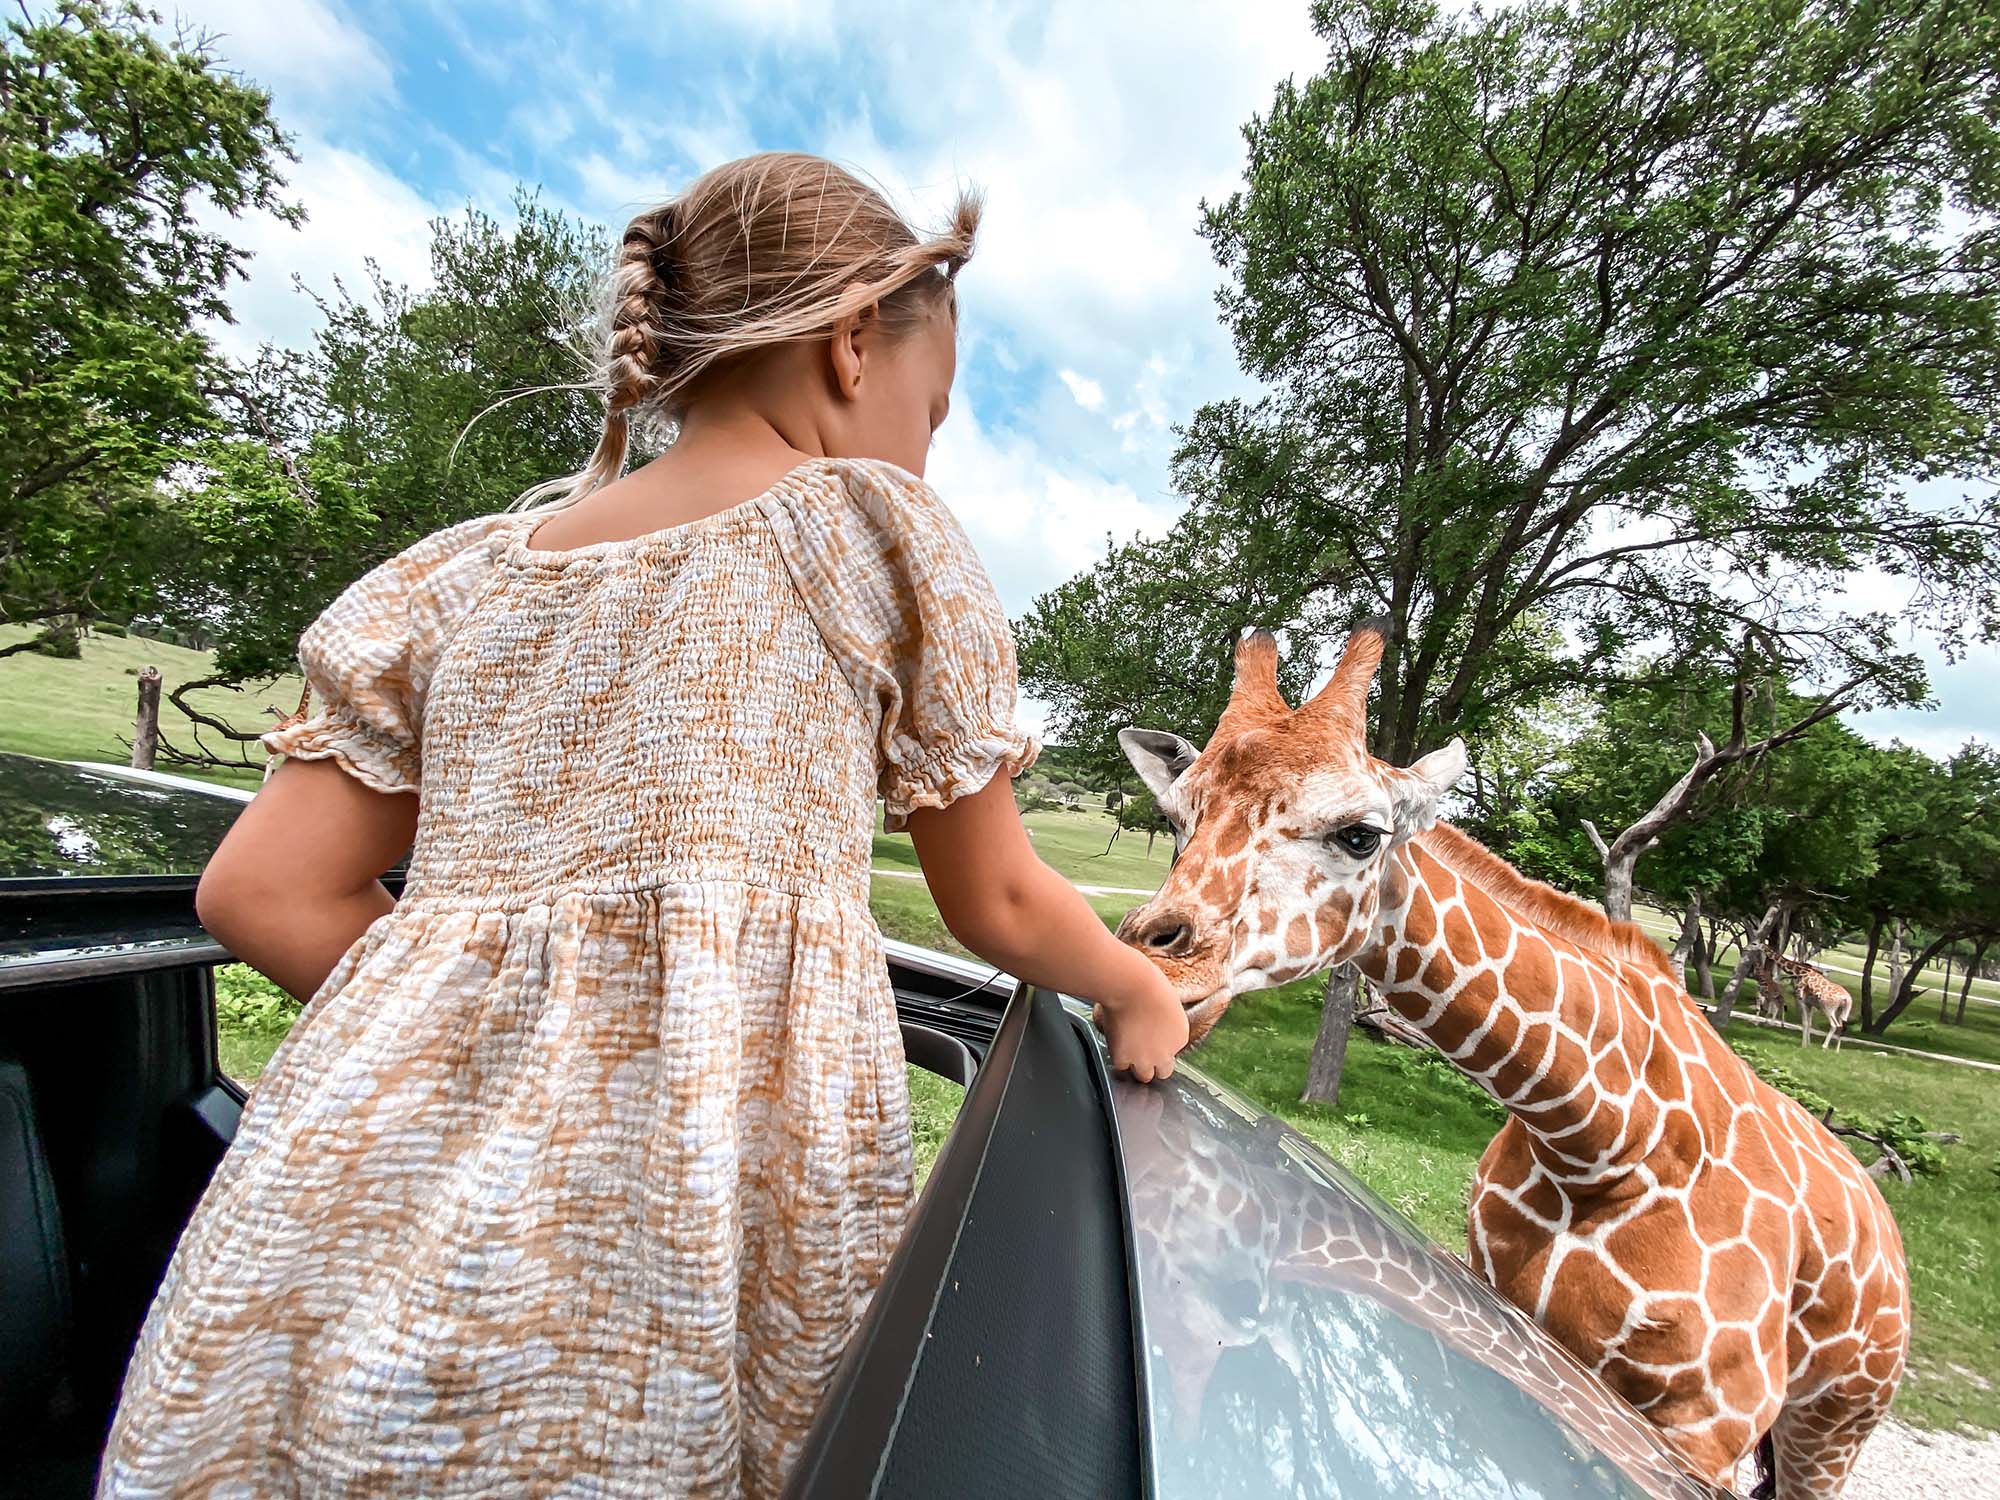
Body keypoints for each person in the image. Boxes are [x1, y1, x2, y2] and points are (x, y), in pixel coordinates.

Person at [98, 152, 1188, 1499]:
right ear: (854, 345)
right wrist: (1136, 985)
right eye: (937, 407)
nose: (928, 444)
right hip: (660, 1270)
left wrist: (498, 1065)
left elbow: (258, 893)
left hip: (339, 1241)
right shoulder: (873, 533)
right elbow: (1000, 903)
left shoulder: (460, 578)